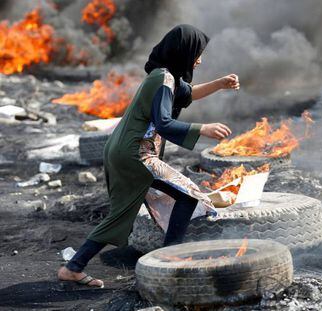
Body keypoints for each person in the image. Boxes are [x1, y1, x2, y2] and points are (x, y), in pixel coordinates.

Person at [57, 24, 239, 287]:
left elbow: (188, 93)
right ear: (183, 51)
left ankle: (74, 267)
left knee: (120, 214)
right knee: (188, 196)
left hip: (122, 150)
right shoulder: (163, 78)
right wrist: (203, 129)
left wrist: (220, 84)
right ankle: (169, 262)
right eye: (197, 53)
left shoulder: (166, 77)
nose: (199, 59)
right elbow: (164, 123)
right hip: (136, 153)